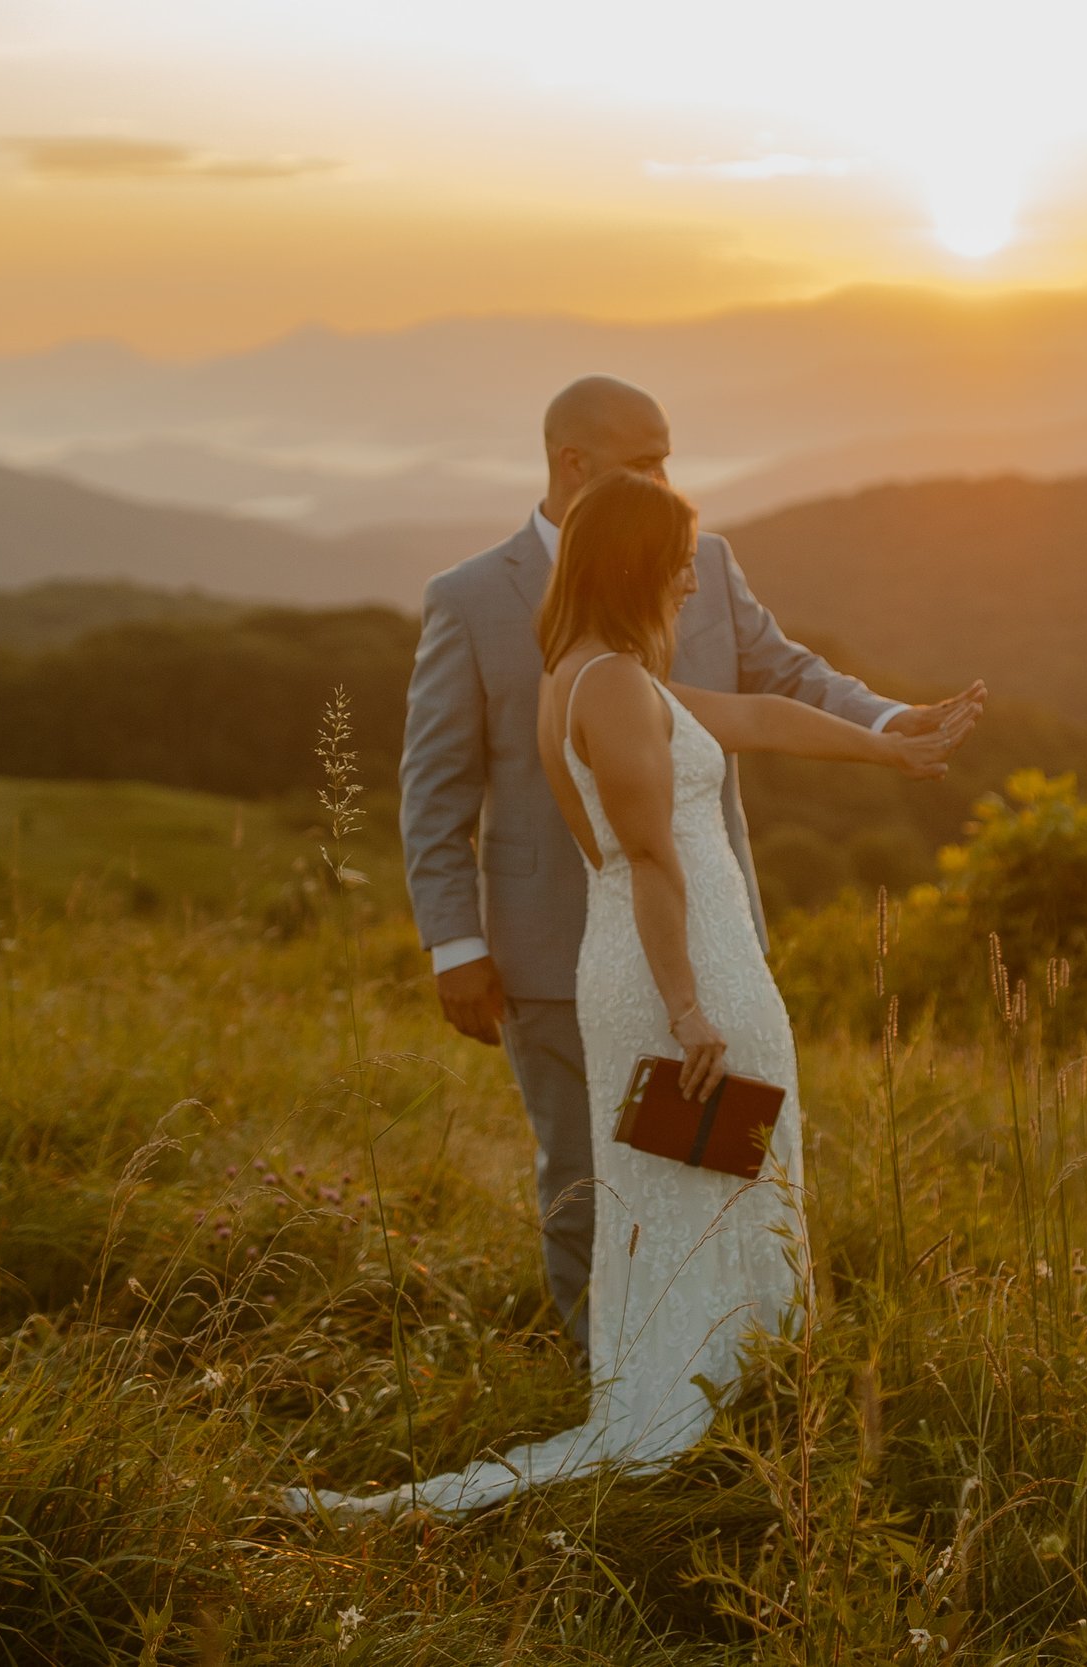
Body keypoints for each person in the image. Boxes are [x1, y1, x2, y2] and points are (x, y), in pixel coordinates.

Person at [292, 469, 971, 1517]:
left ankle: (738, 1390)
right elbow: (650, 856)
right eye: (680, 562)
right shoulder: (608, 684)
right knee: (717, 1179)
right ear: (640, 567)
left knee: (710, 1185)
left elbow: (750, 715)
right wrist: (690, 1009)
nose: (693, 583)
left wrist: (888, 744)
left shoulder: (597, 673)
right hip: (677, 967)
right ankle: (707, 1409)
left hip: (659, 962)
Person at [393, 375, 982, 1354]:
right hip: (556, 951)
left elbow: (773, 685)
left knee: (712, 1164)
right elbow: (435, 788)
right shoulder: (471, 599)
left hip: (704, 939)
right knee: (588, 1177)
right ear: (573, 465)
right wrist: (455, 941)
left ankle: (717, 1369)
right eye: (647, 462)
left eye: (672, 454)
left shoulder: (697, 558)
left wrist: (886, 724)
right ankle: (614, 1377)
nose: (671, 479)